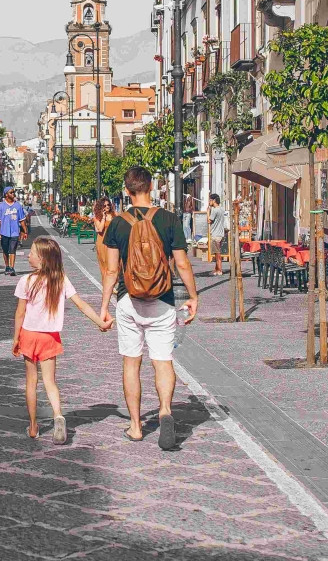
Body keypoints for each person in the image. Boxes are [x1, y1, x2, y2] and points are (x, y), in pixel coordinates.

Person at [100, 167, 200, 450]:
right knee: (163, 359)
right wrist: (193, 296)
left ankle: (135, 426)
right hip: (163, 299)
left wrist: (104, 306)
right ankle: (166, 411)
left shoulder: (117, 223)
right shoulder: (169, 219)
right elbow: (182, 263)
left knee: (132, 362)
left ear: (127, 190)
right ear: (152, 186)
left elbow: (110, 271)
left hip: (128, 300)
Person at [11, 237, 110, 444]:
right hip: (50, 337)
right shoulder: (60, 279)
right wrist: (100, 322)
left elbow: (20, 313)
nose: (28, 255)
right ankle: (58, 415)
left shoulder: (26, 281)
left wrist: (15, 338)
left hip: (29, 335)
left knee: (31, 382)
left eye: (32, 253)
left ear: (43, 259)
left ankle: (33, 426)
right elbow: (81, 304)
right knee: (50, 381)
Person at [0, 188, 29, 276]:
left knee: (12, 249)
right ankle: (7, 266)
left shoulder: (18, 206)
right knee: (5, 250)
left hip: (14, 232)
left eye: (13, 192)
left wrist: (25, 231)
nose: (13, 194)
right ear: (6, 194)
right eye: (11, 192)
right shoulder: (1, 206)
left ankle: (12, 268)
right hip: (4, 232)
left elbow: (22, 220)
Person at [92, 198, 115, 278]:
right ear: (101, 207)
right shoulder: (97, 217)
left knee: (114, 263)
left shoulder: (115, 215)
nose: (107, 206)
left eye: (108, 204)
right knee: (105, 263)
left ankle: (113, 283)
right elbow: (100, 229)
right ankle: (107, 284)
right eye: (104, 205)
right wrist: (104, 218)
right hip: (102, 242)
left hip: (113, 241)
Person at [207, 193, 229, 276]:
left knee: (217, 253)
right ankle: (216, 269)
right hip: (221, 233)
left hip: (216, 234)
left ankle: (219, 270)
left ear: (214, 201)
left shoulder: (215, 210)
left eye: (210, 200)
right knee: (216, 252)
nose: (209, 202)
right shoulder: (222, 209)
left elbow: (209, 221)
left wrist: (208, 212)